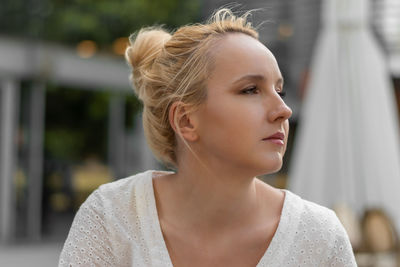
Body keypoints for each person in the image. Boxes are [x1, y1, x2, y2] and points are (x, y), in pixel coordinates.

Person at [59, 8, 357, 267]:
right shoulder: (112, 219)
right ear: (186, 120)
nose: (283, 110)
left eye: (280, 91)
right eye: (251, 90)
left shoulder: (320, 237)